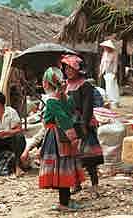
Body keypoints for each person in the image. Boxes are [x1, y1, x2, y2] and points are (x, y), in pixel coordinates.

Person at [38, 67, 85, 211]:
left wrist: (72, 138)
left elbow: (62, 119)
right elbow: (71, 112)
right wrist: (74, 138)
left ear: (46, 83)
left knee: (60, 169)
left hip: (56, 137)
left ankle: (63, 203)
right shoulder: (65, 97)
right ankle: (66, 200)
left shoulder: (52, 100)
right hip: (65, 137)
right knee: (66, 167)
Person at [61, 54, 104, 198]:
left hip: (83, 122)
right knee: (72, 155)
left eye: (71, 68)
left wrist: (84, 124)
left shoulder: (85, 84)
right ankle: (76, 183)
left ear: (78, 69)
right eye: (66, 68)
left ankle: (95, 186)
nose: (68, 71)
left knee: (89, 157)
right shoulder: (65, 85)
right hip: (70, 122)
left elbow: (87, 107)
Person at [0, 91, 26, 176]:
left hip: (10, 142)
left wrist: (7, 132)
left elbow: (19, 129)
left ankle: (17, 166)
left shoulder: (11, 112)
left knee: (19, 137)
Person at [99, 39, 120, 108]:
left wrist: (114, 73)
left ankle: (114, 101)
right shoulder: (105, 53)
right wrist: (100, 71)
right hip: (105, 72)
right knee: (108, 86)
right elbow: (102, 63)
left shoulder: (114, 53)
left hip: (111, 72)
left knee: (112, 86)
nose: (105, 48)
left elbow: (115, 64)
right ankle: (111, 100)